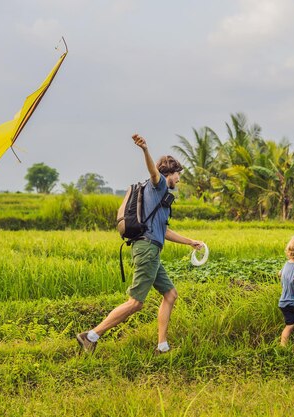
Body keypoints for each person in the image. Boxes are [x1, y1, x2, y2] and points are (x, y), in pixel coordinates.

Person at [76, 134, 204, 354]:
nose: (179, 180)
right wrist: (145, 150)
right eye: (178, 175)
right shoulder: (158, 185)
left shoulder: (155, 196)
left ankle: (162, 347)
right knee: (136, 303)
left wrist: (190, 242)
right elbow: (154, 173)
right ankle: (91, 335)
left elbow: (163, 230)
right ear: (169, 174)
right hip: (147, 250)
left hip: (150, 248)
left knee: (170, 294)